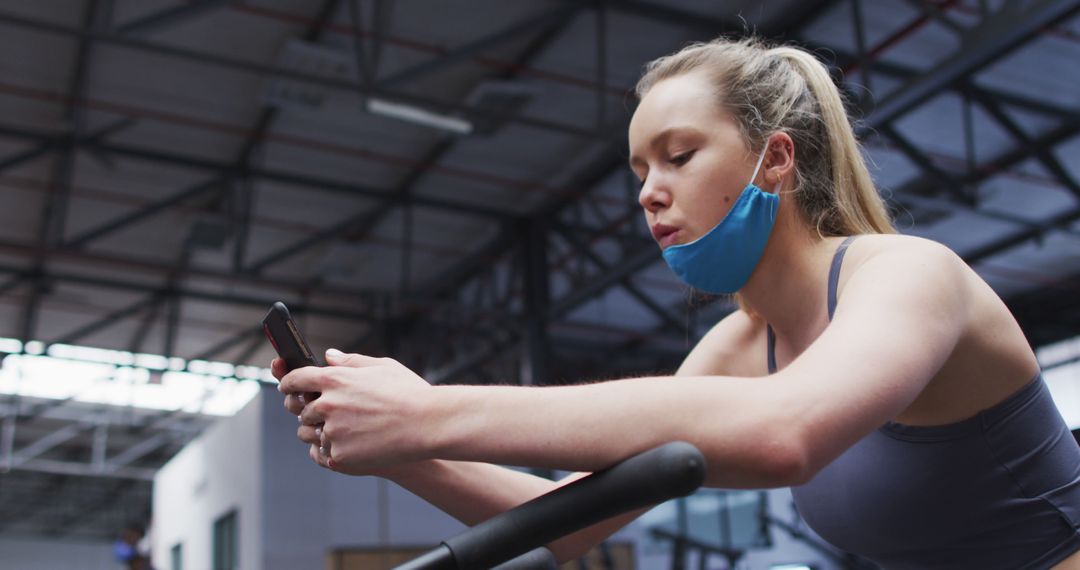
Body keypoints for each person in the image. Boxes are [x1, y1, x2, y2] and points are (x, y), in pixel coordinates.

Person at [276, 37, 1080, 568]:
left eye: (679, 156)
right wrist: (399, 447)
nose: (651, 194)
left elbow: (785, 435)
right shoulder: (739, 350)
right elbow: (569, 517)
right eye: (638, 171)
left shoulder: (908, 276)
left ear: (774, 160)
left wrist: (429, 412)